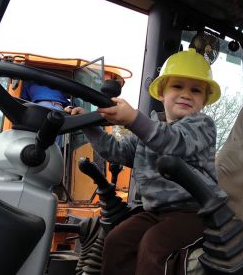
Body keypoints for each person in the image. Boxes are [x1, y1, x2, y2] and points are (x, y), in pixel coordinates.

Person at [65, 48, 227, 275]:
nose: (186, 94)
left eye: (196, 90)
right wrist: (88, 126)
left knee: (155, 245)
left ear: (204, 100)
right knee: (117, 240)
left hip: (198, 212)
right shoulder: (149, 130)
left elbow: (172, 142)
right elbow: (116, 150)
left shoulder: (202, 126)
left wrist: (133, 119)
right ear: (161, 93)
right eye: (177, 86)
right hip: (156, 211)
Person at [21, 81, 70, 147]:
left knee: (38, 137)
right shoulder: (58, 85)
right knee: (56, 140)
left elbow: (24, 102)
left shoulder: (29, 84)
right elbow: (68, 105)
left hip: (41, 107)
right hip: (59, 107)